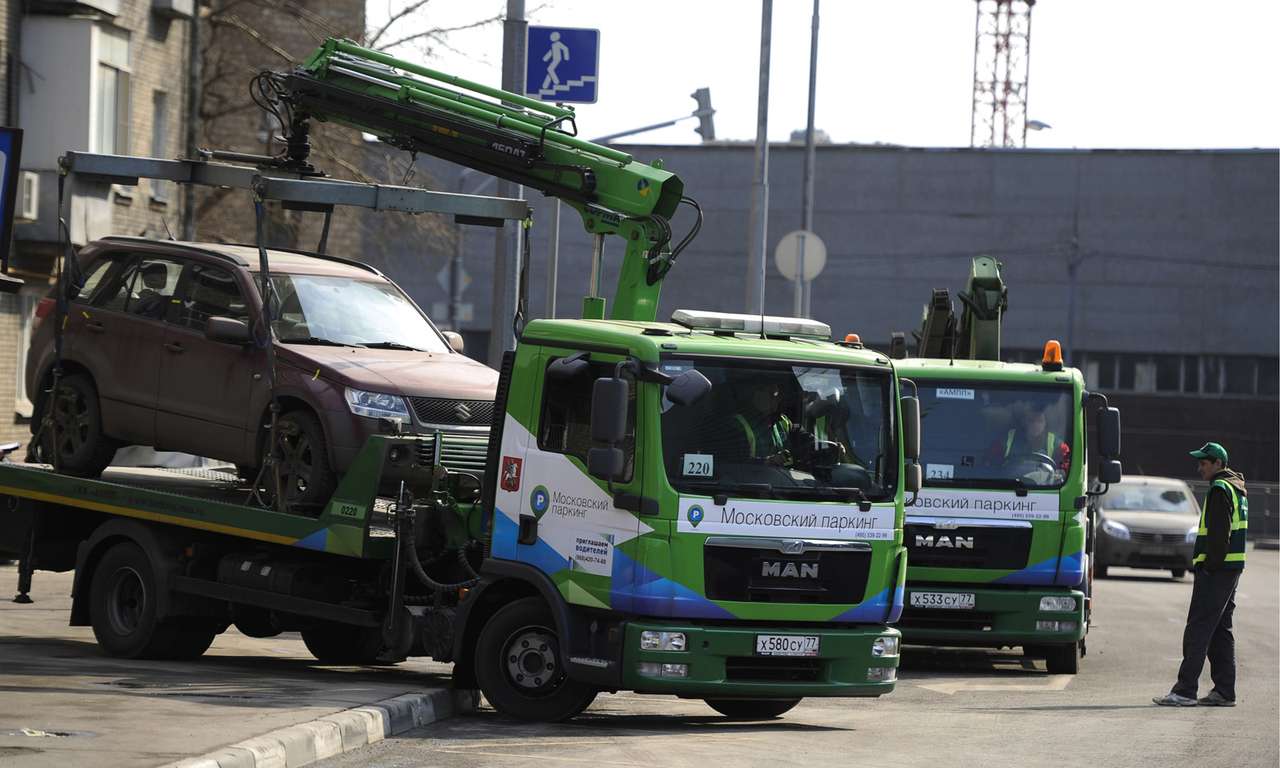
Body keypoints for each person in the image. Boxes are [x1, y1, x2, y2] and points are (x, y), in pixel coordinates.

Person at [1153, 441, 1248, 707]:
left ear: (1218, 464)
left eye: (1204, 463)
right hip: (1231, 568)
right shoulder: (1236, 488)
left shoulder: (1219, 489)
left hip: (1217, 569)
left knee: (1198, 628)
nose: (1200, 468)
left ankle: (1185, 691)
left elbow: (1219, 535)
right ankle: (1224, 691)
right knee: (1220, 629)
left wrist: (1208, 566)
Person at [988, 402, 1069, 473]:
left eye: (1039, 421)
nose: (1035, 425)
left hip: (1044, 487)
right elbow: (991, 464)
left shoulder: (1058, 445)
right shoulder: (1008, 438)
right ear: (1024, 422)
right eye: (1031, 420)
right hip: (1011, 484)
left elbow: (1066, 467)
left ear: (1045, 423)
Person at [731, 379, 793, 465]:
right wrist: (768, 461)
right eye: (771, 394)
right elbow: (735, 463)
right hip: (752, 477)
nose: (777, 399)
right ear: (756, 394)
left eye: (777, 394)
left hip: (784, 477)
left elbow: (802, 440)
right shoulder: (737, 424)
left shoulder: (783, 420)